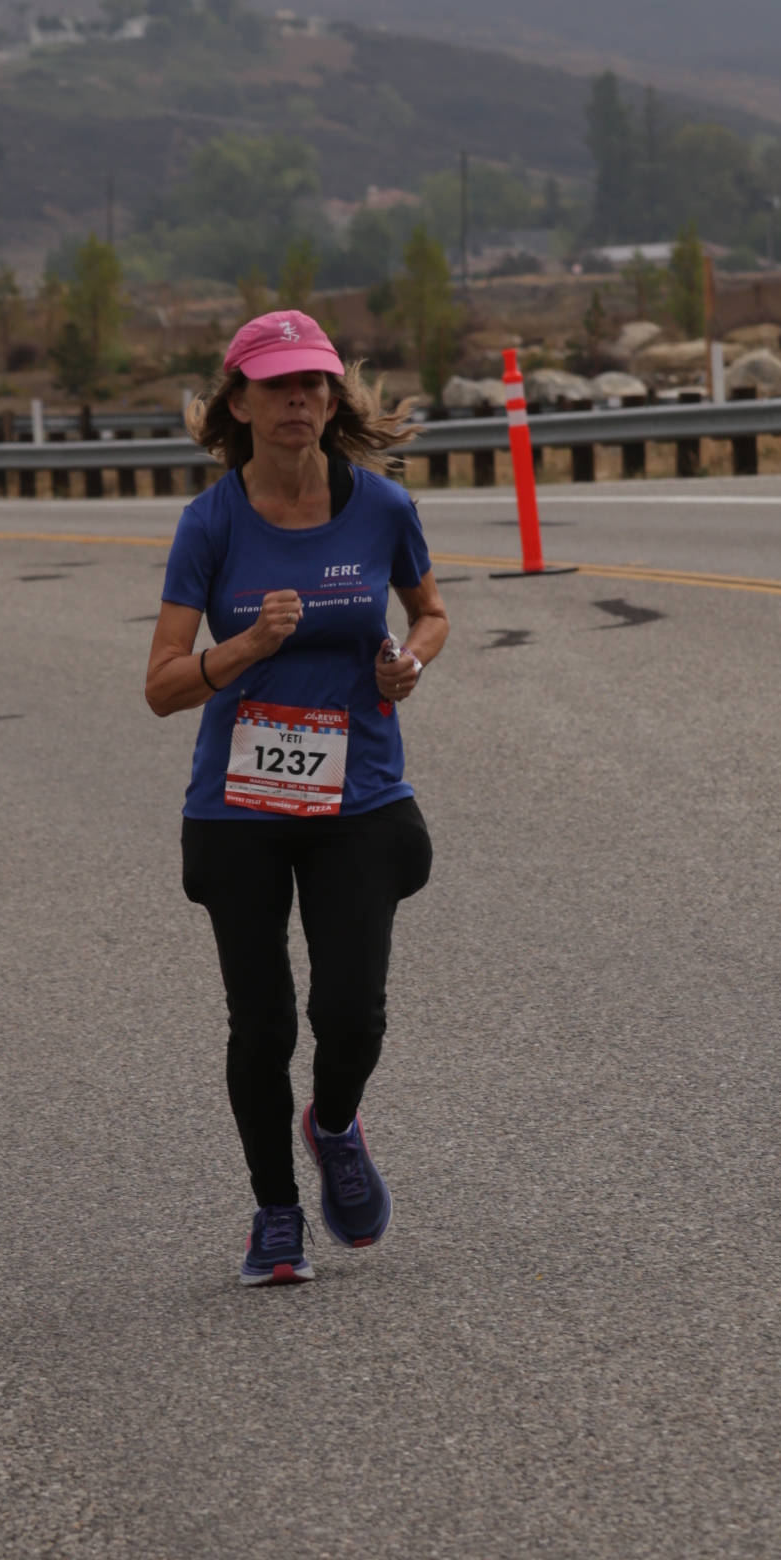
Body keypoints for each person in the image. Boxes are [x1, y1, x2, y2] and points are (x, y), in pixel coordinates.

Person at [145, 308, 449, 1285]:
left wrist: (409, 660)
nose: (300, 399)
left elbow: (431, 613)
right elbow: (161, 685)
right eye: (277, 385)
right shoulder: (211, 522)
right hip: (238, 807)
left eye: (314, 382)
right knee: (264, 1024)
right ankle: (275, 1212)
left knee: (352, 1012)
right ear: (238, 402)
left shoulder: (381, 507)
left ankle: (335, 1124)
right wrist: (246, 646)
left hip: (356, 798)